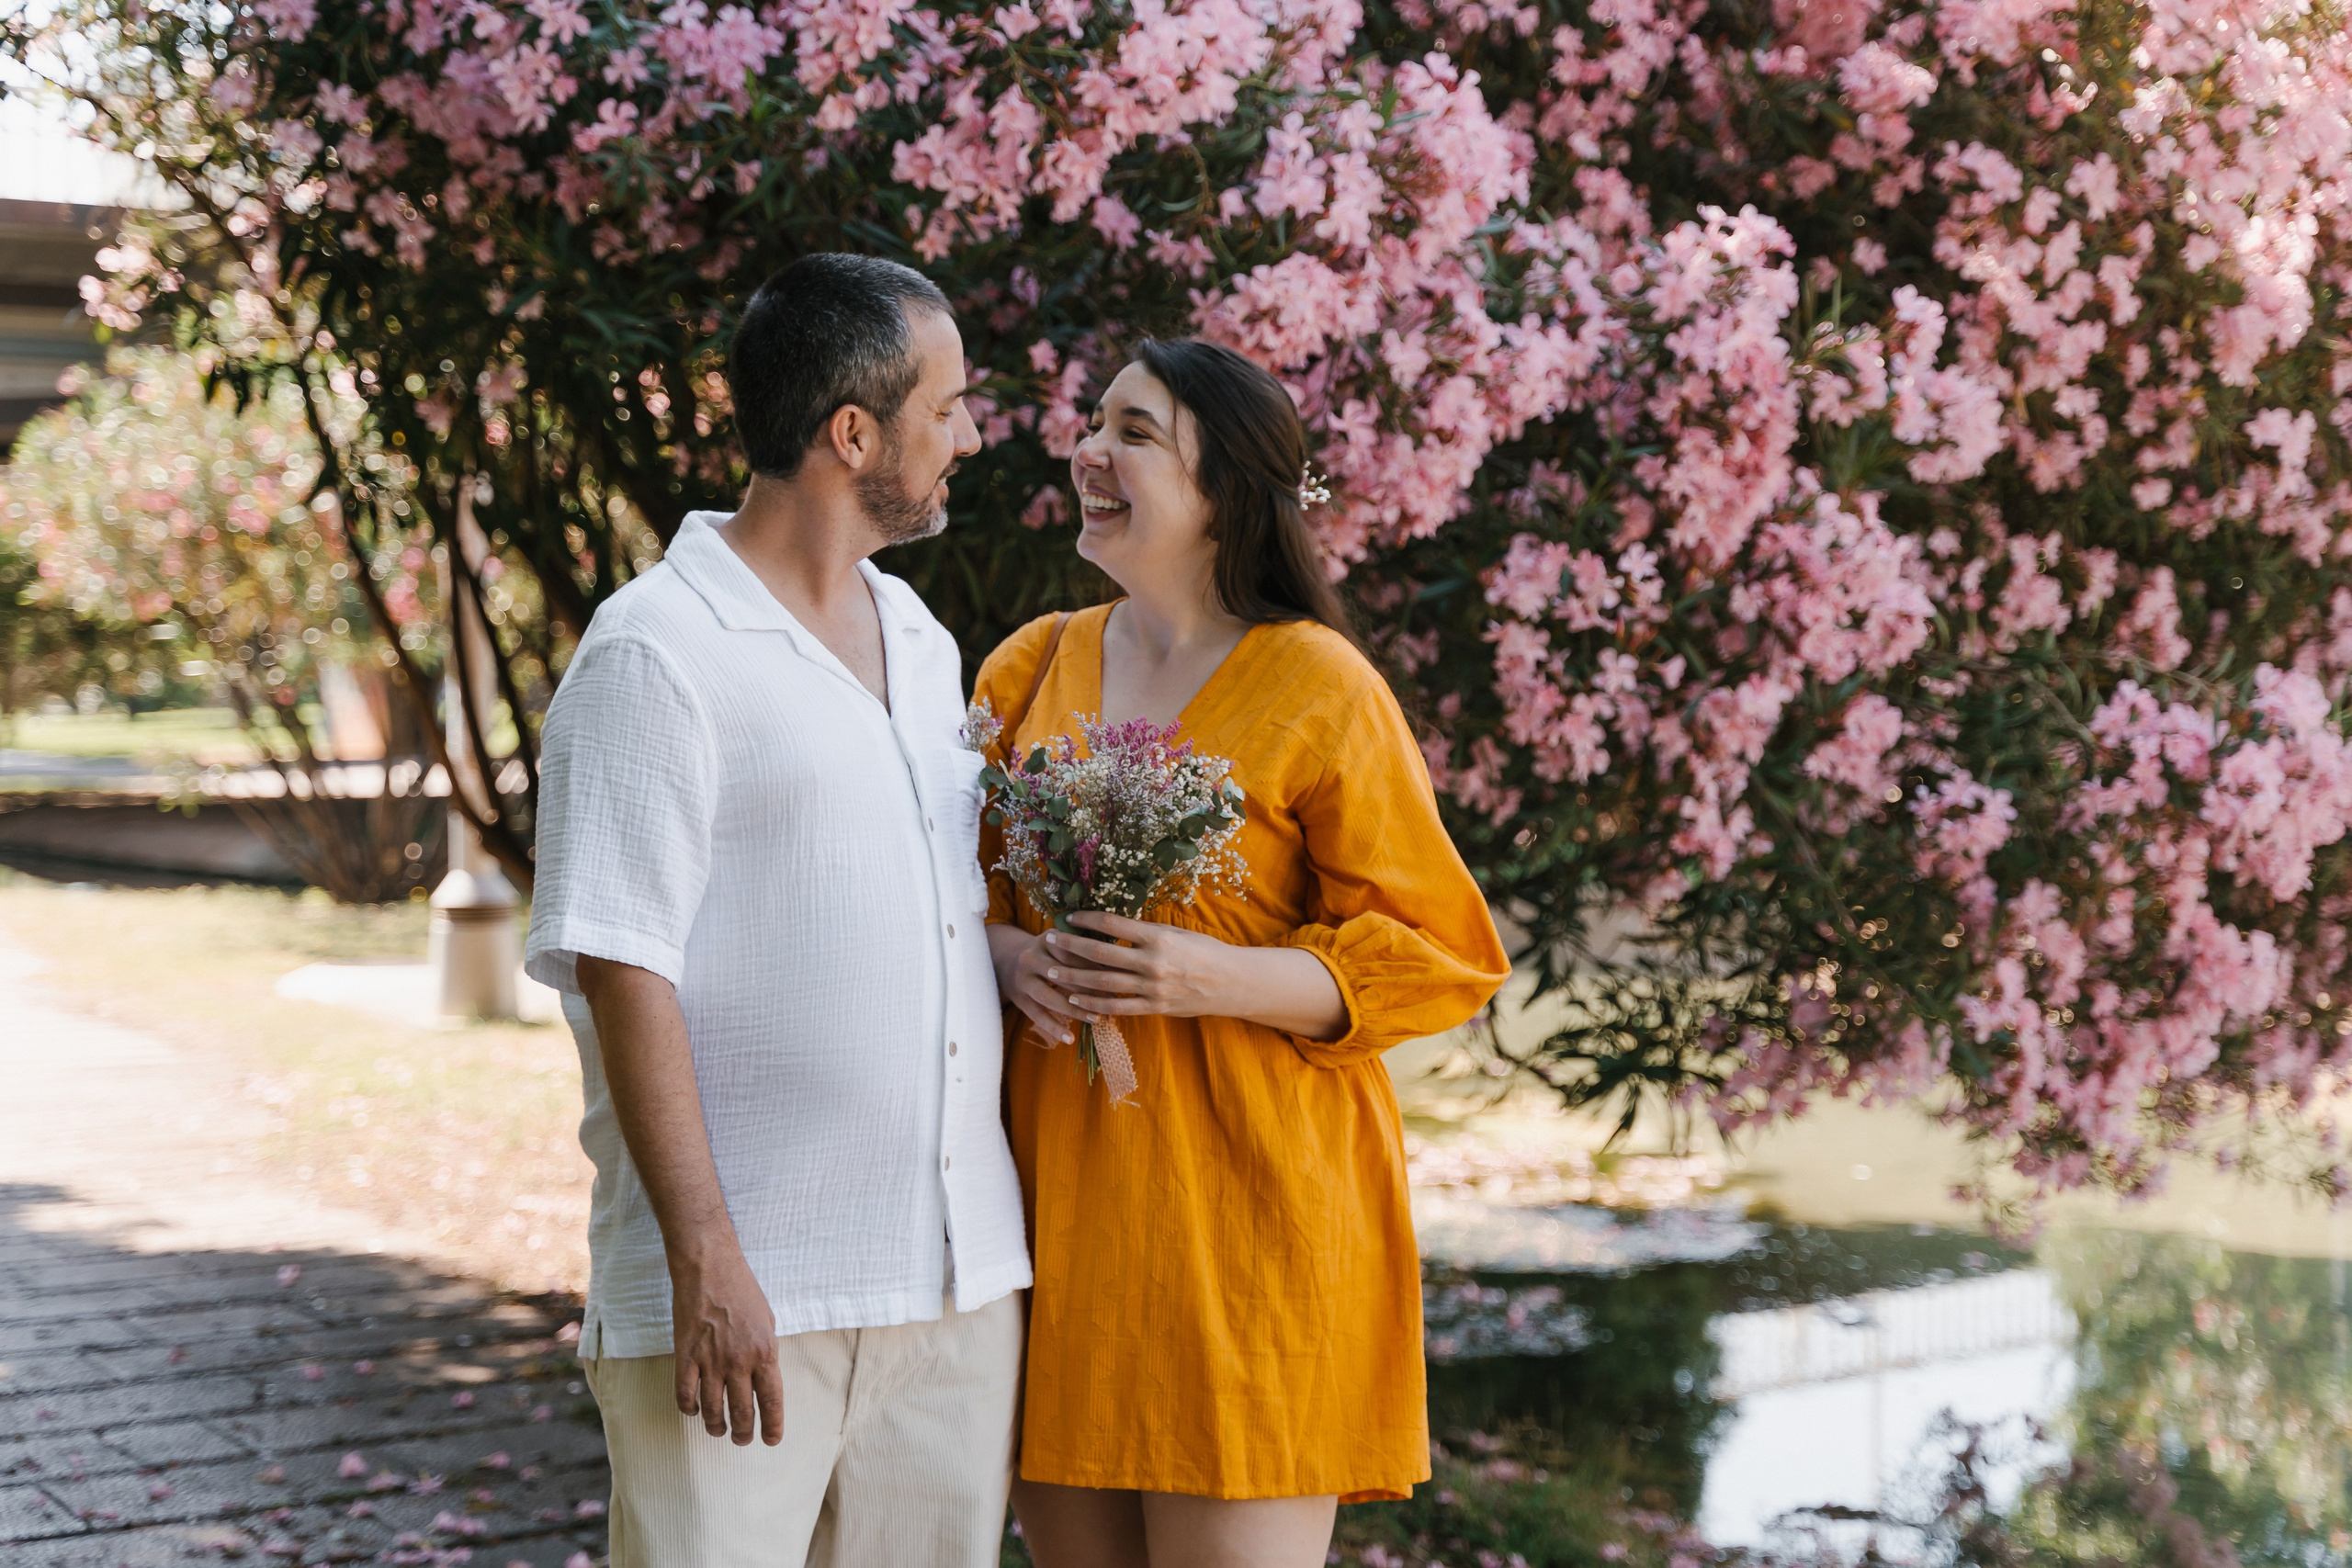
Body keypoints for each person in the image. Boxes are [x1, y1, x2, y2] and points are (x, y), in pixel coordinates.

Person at [524, 253, 1030, 1568]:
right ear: (852, 433)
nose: (968, 437)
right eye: (948, 408)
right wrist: (707, 1262)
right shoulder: (656, 651)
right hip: (746, 1297)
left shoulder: (919, 639)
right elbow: (622, 968)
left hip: (953, 1291)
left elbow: (915, 909)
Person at [974, 338, 1511, 1567]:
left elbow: (1444, 952)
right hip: (1062, 1232)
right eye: (1092, 421)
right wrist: (1013, 963)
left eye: (1134, 432)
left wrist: (1202, 976)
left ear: (1225, 489)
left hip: (1252, 1228)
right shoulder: (1031, 669)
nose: (1089, 451)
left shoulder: (1318, 684)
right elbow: (943, 909)